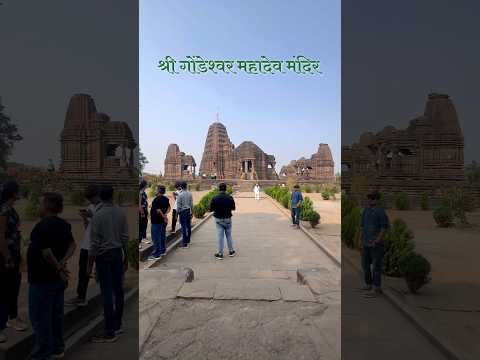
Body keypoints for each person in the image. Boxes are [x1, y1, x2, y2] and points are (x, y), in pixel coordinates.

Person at [28, 193, 76, 359]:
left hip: (43, 279)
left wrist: (58, 267)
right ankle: (57, 348)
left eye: (41, 204)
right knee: (56, 315)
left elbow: (46, 252)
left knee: (40, 318)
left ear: (47, 206)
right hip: (57, 280)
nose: (39, 207)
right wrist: (63, 262)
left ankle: (42, 354)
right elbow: (72, 245)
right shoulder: (64, 225)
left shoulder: (41, 227)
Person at [87, 185, 129, 343]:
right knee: (118, 290)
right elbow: (125, 237)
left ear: (99, 196)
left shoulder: (98, 215)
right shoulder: (120, 212)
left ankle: (109, 331)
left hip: (103, 256)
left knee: (106, 292)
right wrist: (126, 258)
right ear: (113, 195)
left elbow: (94, 244)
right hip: (118, 253)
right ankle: (117, 325)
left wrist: (89, 266)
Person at [0, 181, 28, 345]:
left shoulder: (10, 209)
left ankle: (12, 317)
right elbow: (0, 237)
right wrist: (8, 258)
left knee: (13, 287)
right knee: (3, 289)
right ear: (12, 193)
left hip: (14, 253)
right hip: (4, 256)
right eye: (18, 190)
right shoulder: (3, 210)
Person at [65, 184, 101, 307]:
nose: (91, 201)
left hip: (99, 245)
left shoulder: (103, 208)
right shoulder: (90, 206)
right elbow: (87, 228)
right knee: (83, 271)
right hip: (87, 243)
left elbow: (104, 226)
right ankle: (81, 296)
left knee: (100, 270)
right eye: (89, 199)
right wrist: (85, 218)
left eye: (92, 198)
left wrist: (93, 217)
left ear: (98, 195)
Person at [360, 191, 390, 298]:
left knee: (376, 267)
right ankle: (368, 284)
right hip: (366, 243)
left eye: (372, 199)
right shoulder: (366, 211)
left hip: (376, 244)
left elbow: (384, 227)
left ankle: (376, 287)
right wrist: (360, 238)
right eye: (369, 198)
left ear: (377, 200)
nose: (370, 200)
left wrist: (377, 240)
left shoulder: (380, 212)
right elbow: (362, 226)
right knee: (365, 265)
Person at [210, 183, 236, 260]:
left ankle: (220, 253)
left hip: (218, 219)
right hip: (228, 218)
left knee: (220, 237)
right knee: (229, 235)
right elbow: (233, 208)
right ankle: (231, 251)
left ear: (219, 189)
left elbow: (211, 209)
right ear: (226, 189)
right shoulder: (230, 197)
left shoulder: (215, 198)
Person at [148, 185, 170, 260]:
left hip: (157, 221)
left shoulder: (157, 199)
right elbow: (169, 208)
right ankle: (163, 251)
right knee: (162, 236)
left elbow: (158, 210)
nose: (155, 191)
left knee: (155, 238)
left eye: (156, 189)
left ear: (159, 191)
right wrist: (166, 215)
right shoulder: (166, 199)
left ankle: (156, 254)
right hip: (162, 222)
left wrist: (164, 217)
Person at [176, 181, 193, 249]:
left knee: (183, 227)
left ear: (181, 187)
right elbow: (191, 204)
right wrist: (192, 212)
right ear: (186, 186)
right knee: (188, 226)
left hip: (182, 212)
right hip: (188, 211)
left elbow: (178, 206)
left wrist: (176, 215)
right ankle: (188, 240)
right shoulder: (190, 194)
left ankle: (184, 243)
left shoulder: (180, 195)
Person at [139, 180, 149, 249]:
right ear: (144, 185)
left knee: (145, 224)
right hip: (141, 211)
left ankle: (144, 238)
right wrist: (142, 212)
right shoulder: (139, 193)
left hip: (145, 210)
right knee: (140, 225)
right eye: (147, 184)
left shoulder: (144, 192)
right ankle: (139, 242)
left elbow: (145, 202)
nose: (148, 185)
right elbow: (139, 204)